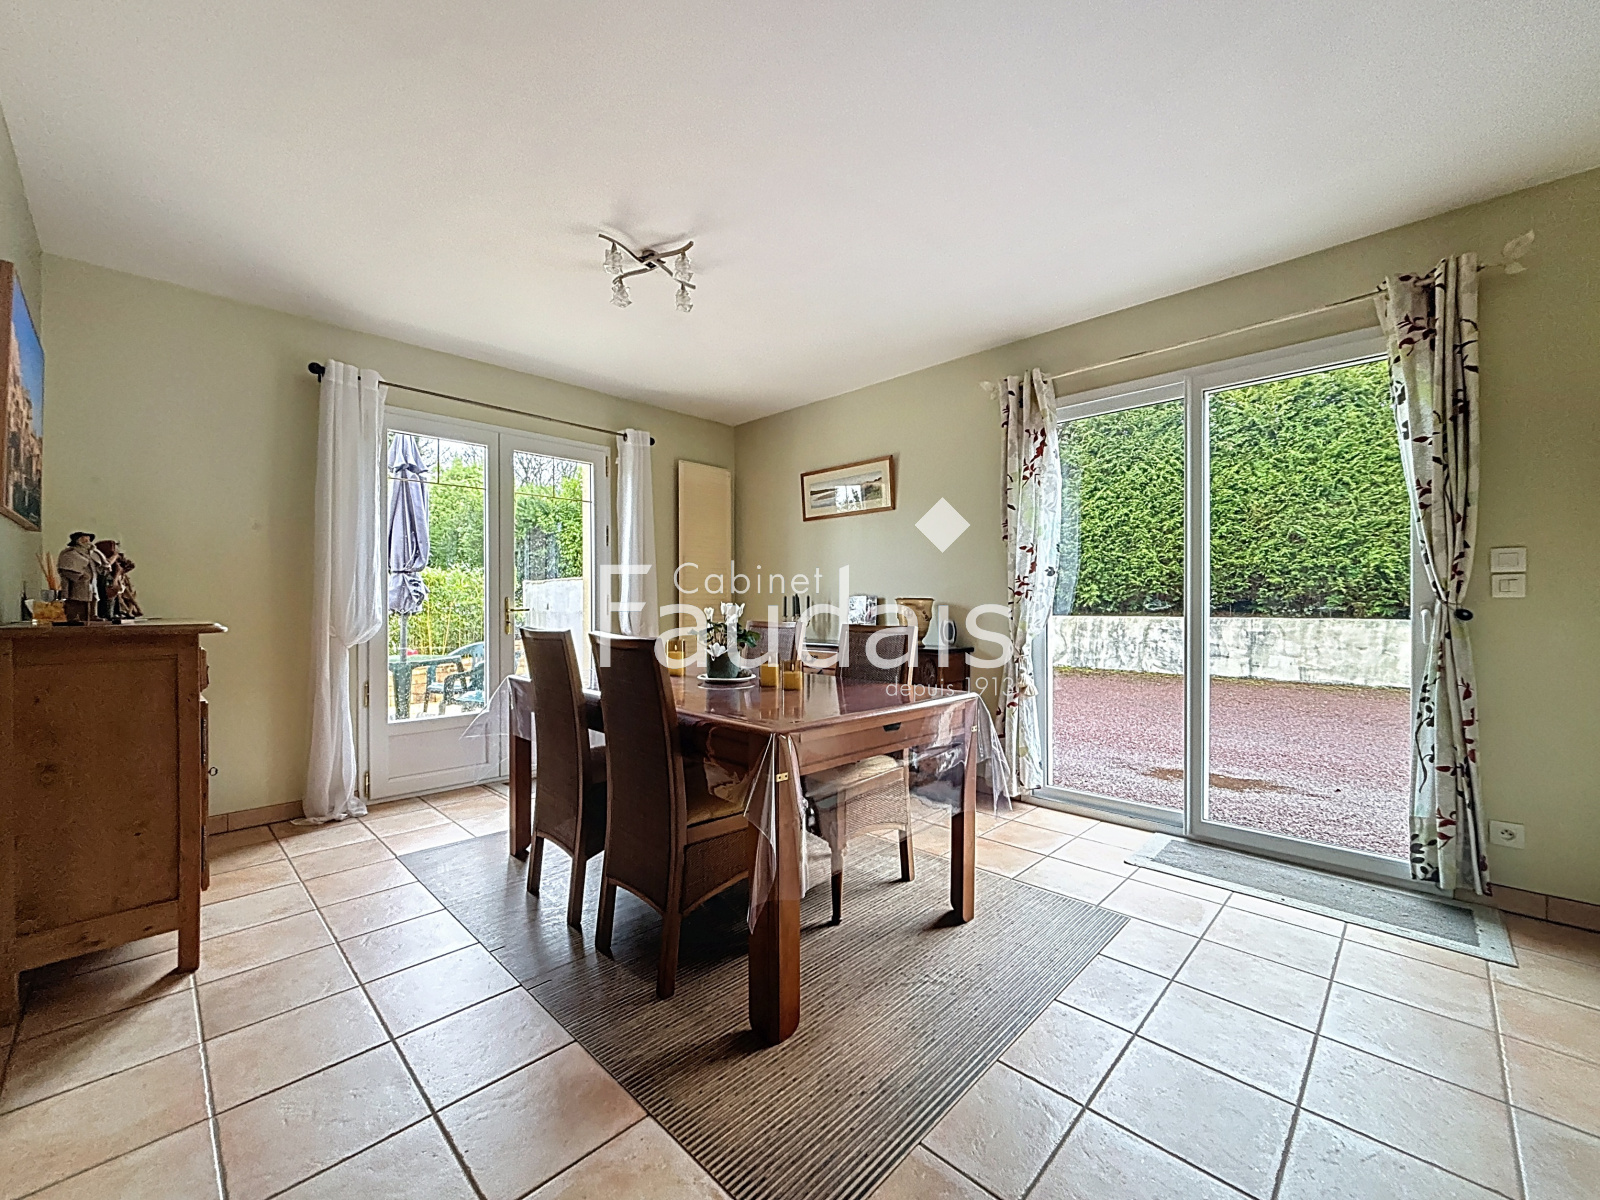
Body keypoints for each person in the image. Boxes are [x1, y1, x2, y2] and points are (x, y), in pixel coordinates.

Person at [57, 532, 107, 623]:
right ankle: (75, 616)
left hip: (92, 581)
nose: (87, 540)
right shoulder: (70, 554)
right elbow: (65, 569)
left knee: (93, 598)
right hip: (78, 582)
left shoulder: (94, 553)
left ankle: (92, 615)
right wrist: (79, 575)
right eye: (84, 538)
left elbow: (102, 565)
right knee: (76, 599)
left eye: (88, 538)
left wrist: (102, 569)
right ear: (78, 540)